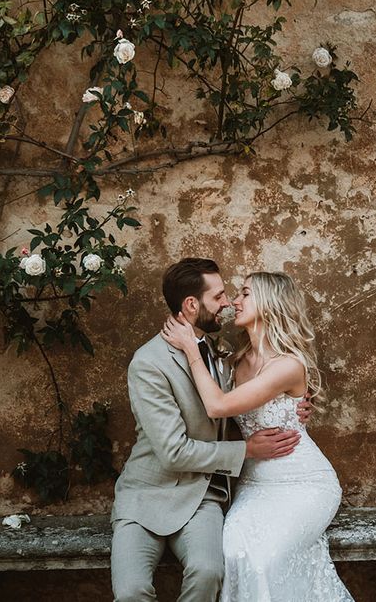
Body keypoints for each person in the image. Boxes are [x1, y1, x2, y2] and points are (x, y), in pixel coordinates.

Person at [111, 258, 310, 602]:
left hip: (203, 494)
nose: (228, 304)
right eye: (219, 297)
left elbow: (254, 395)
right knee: (131, 591)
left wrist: (296, 405)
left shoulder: (223, 354)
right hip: (146, 495)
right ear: (192, 304)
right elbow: (173, 452)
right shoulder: (149, 362)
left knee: (208, 573)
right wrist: (246, 451)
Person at [161, 271, 353, 602]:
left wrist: (191, 350)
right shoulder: (233, 361)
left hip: (304, 484)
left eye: (245, 294)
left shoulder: (289, 366)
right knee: (234, 554)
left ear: (269, 304)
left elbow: (218, 406)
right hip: (253, 485)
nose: (235, 301)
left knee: (264, 560)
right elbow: (228, 419)